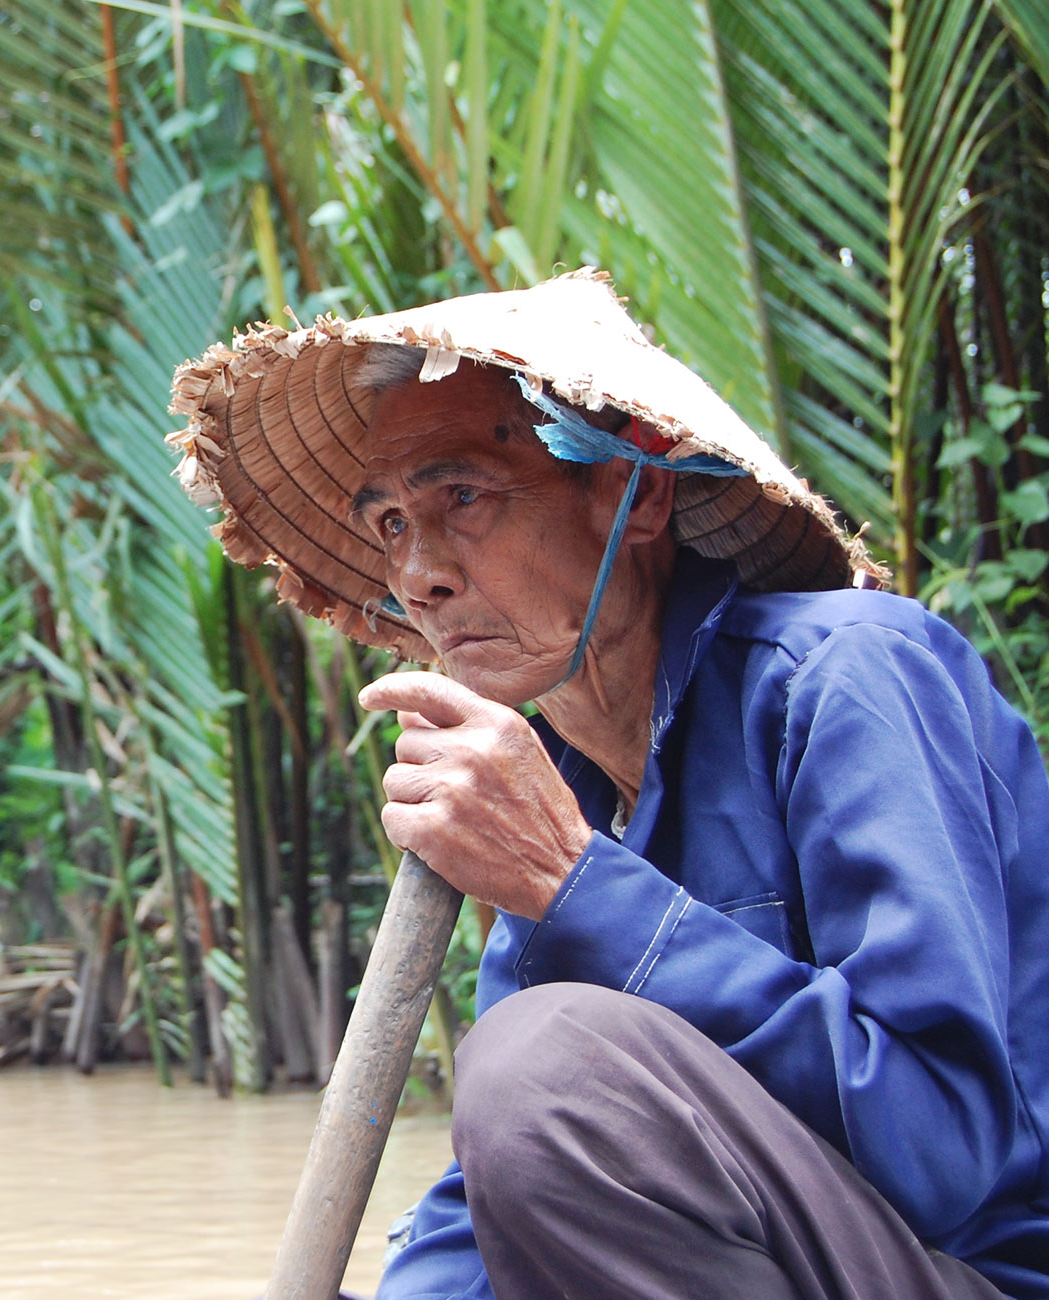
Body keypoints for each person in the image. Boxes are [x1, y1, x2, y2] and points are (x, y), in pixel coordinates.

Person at [165, 269, 1049, 1299]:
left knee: (537, 1065)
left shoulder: (848, 677)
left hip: (962, 1274)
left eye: (461, 496)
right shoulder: (561, 795)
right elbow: (496, 1193)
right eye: (392, 525)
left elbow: (941, 1149)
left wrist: (577, 886)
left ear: (635, 493)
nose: (419, 575)